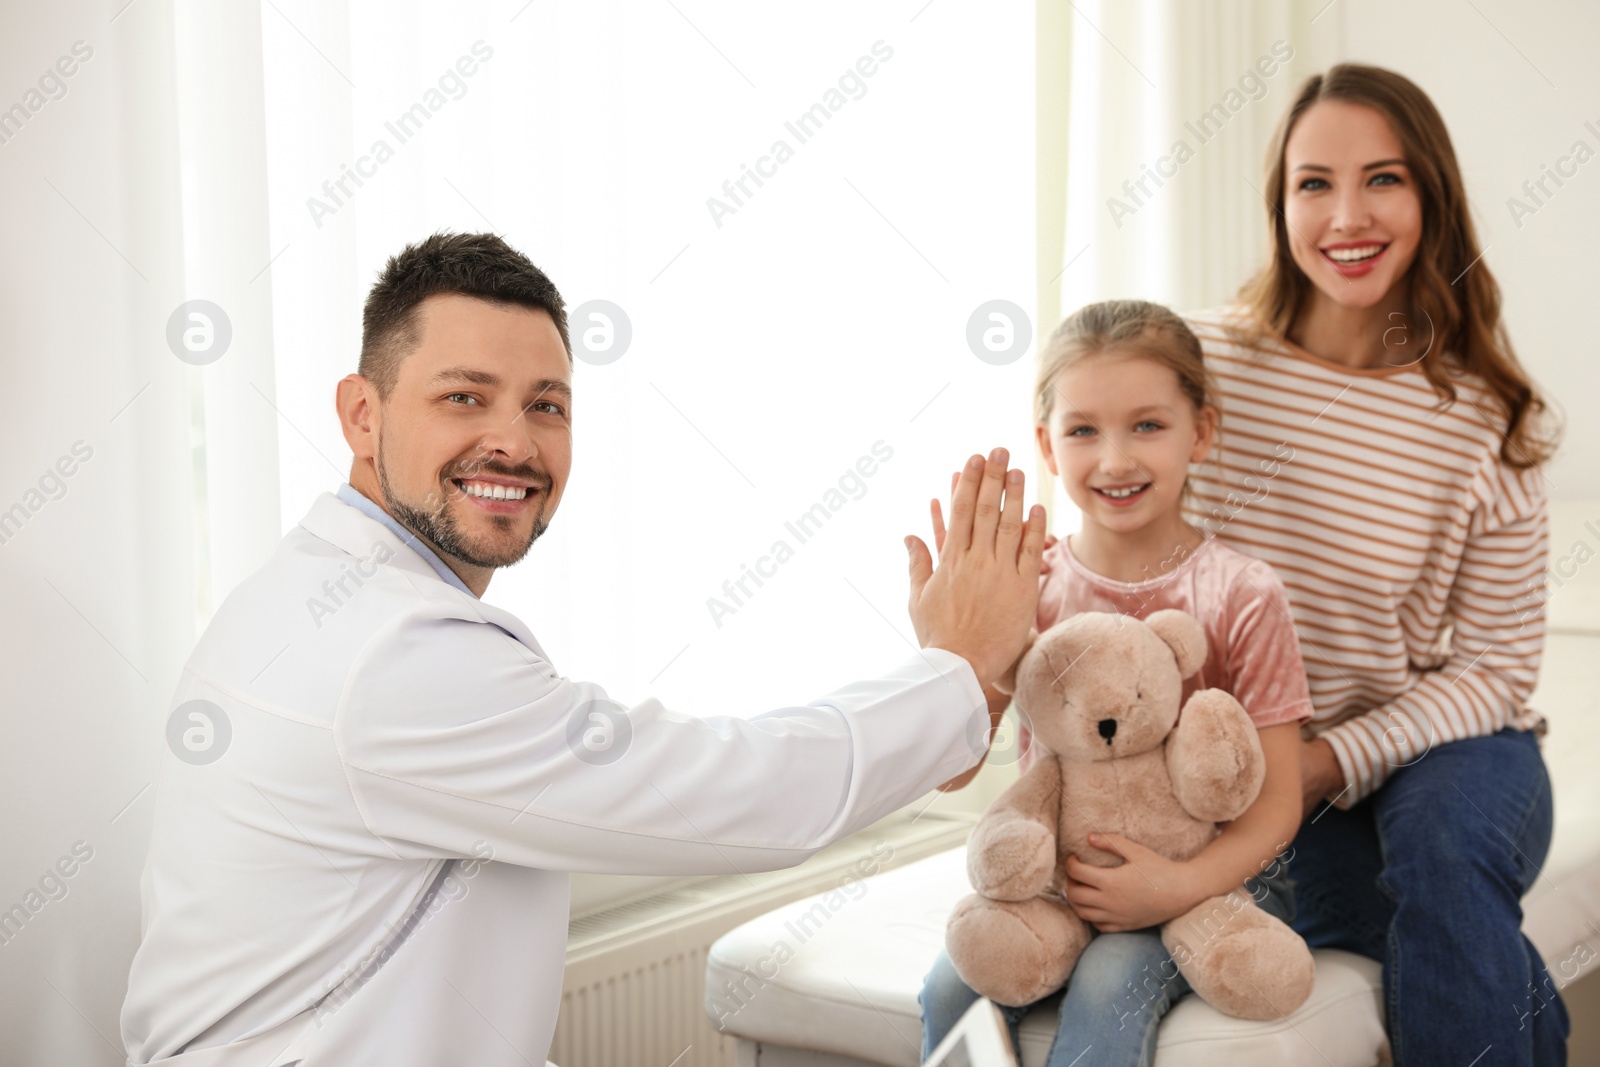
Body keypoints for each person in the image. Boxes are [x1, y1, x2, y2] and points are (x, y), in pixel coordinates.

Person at [119, 232, 1047, 1066]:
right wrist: (956, 666)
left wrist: (958, 702)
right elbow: (731, 791)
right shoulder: (390, 653)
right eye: (463, 397)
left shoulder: (320, 592)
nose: (514, 442)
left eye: (547, 405)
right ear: (363, 414)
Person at [1185, 64, 1567, 1064]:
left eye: (1382, 178)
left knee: (1438, 857)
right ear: (1279, 204)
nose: (1345, 214)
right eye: (1313, 182)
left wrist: (1319, 763)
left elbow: (1493, 670)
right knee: (1376, 915)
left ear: (1429, 193)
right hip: (1271, 764)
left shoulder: (1488, 417)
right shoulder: (1199, 372)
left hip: (1450, 748)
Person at [919, 300, 1315, 1066]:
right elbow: (955, 772)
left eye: (1147, 425)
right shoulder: (1028, 590)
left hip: (1214, 881)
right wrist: (952, 652)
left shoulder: (1242, 592)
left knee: (1109, 978)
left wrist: (1177, 885)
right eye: (1082, 430)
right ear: (1047, 442)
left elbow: (1276, 805)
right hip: (1065, 879)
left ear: (1200, 431)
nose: (1114, 460)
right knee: (948, 985)